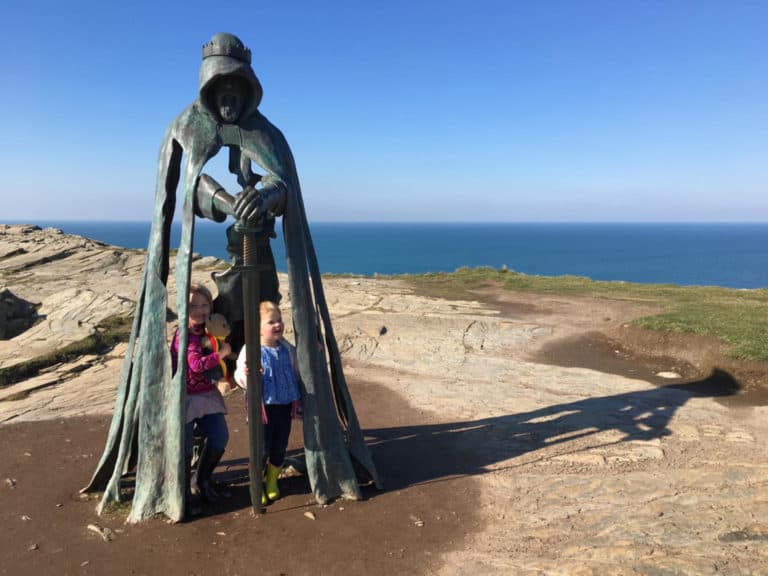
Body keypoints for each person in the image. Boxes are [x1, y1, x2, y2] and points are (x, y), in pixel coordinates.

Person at [170, 283, 232, 512]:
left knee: (219, 436)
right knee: (184, 447)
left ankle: (202, 479)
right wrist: (221, 354)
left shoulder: (207, 331)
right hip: (185, 398)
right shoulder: (184, 335)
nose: (199, 309)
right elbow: (196, 365)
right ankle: (183, 492)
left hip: (206, 395)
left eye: (204, 304)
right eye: (193, 305)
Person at [234, 301, 301, 505]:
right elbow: (239, 374)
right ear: (258, 328)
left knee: (279, 447)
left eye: (279, 320)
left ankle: (272, 481)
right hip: (262, 409)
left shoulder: (287, 348)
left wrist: (311, 350)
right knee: (261, 449)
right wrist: (246, 376)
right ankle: (257, 483)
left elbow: (298, 364)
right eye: (271, 321)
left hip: (283, 406)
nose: (278, 324)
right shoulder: (251, 350)